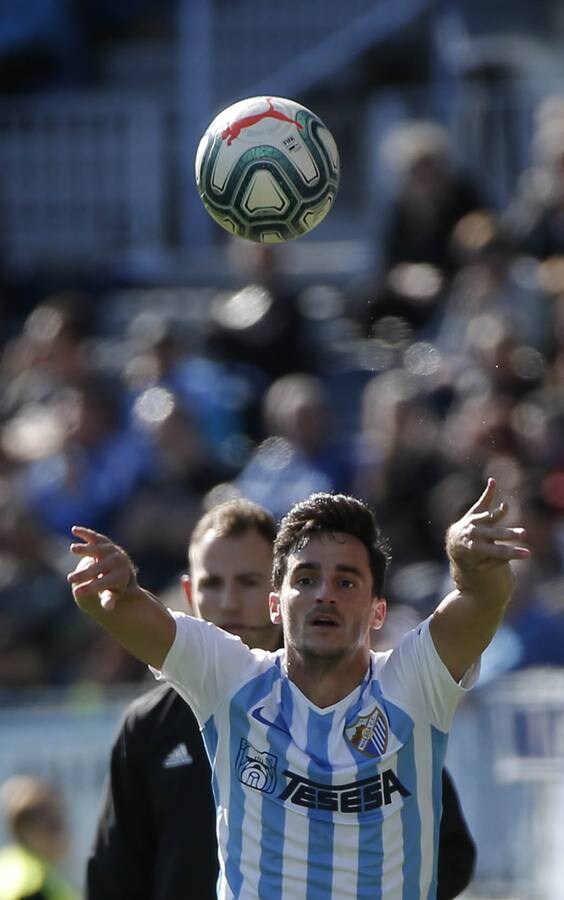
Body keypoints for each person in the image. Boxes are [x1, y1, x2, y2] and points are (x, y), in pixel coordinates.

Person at [69, 479, 523, 897]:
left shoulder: (412, 684)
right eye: (305, 580)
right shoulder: (232, 679)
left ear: (378, 611)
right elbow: (129, 613)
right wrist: (116, 586)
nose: (325, 594)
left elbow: (481, 598)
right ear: (275, 605)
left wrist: (469, 562)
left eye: (346, 581)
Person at [0, 775, 78, 900]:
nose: (64, 830)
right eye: (53, 824)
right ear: (27, 830)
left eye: (62, 817)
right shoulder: (32, 882)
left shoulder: (9, 866)